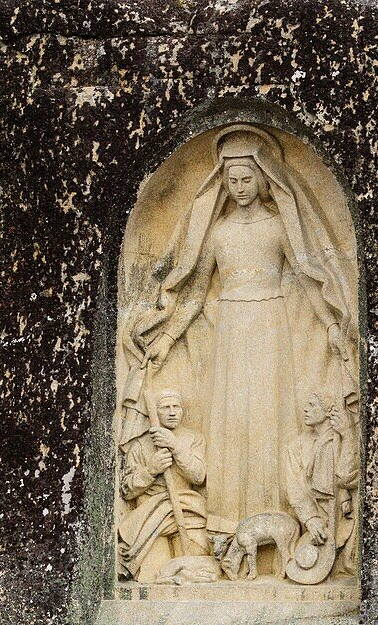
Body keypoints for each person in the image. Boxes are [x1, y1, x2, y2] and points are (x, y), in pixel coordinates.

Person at [120, 124, 357, 537]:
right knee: (230, 416)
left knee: (269, 416)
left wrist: (333, 323)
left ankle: (277, 513)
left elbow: (306, 274)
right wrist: (168, 339)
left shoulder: (279, 225)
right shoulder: (218, 231)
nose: (241, 186)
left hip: (270, 326)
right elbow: (193, 295)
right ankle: (227, 521)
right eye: (232, 180)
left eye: (248, 178)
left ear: (263, 176)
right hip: (230, 328)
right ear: (222, 182)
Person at [118, 391, 208, 581]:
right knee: (154, 576)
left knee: (199, 574)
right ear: (155, 413)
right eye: (165, 408)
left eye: (176, 407)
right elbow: (127, 490)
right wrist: (150, 470)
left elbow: (198, 476)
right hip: (152, 521)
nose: (172, 412)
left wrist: (175, 446)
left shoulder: (194, 439)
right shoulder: (141, 445)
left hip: (188, 513)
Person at [285, 391, 359, 574]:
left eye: (312, 405)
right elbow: (293, 485)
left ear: (328, 412)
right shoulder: (297, 445)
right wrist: (310, 518)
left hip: (340, 513)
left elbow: (346, 477)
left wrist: (348, 436)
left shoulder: (341, 439)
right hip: (314, 515)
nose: (305, 410)